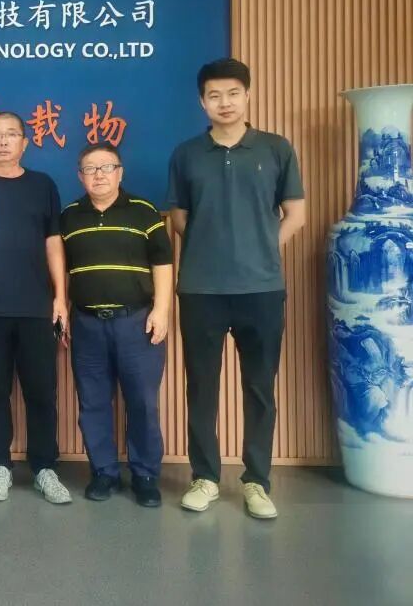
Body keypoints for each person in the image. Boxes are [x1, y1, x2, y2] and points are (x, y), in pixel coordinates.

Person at [168, 57, 306, 519]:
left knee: (259, 387)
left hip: (261, 288)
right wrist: (213, 249)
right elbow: (179, 217)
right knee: (201, 386)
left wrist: (261, 247)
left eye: (232, 93)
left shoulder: (276, 148)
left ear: (247, 95)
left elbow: (296, 215)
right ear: (202, 102)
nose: (224, 103)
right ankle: (205, 477)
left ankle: (257, 481)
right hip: (201, 289)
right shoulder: (186, 154)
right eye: (214, 95)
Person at [0, 111, 72, 505]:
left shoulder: (43, 185)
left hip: (36, 306)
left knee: (42, 391)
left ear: (25, 142)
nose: (3, 141)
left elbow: (53, 243)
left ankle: (44, 468)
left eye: (11, 135)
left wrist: (60, 297)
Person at [61, 143, 173, 507]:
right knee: (92, 401)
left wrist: (162, 310)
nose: (99, 175)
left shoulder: (144, 211)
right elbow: (62, 269)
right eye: (90, 169)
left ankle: (145, 475)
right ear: (80, 176)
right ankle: (104, 472)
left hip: (136, 322)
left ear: (120, 172)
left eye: (106, 167)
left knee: (142, 401)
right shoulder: (69, 216)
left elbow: (163, 263)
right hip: (87, 323)